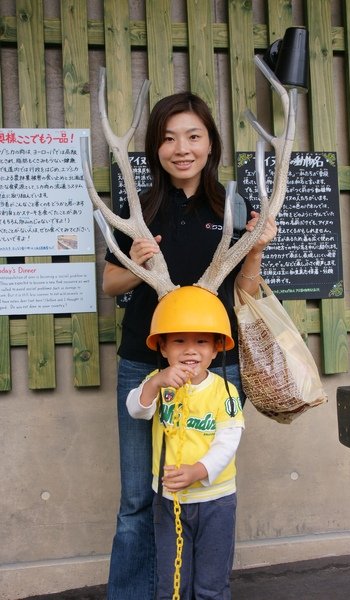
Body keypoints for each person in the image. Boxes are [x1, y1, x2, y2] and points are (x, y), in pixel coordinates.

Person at [103, 91, 277, 599]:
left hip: (217, 364)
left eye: (193, 136)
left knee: (204, 489)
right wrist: (135, 260)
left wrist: (256, 250)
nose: (182, 148)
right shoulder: (139, 207)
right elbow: (111, 285)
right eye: (169, 137)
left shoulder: (232, 206)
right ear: (155, 147)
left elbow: (243, 294)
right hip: (146, 364)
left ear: (210, 143)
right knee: (139, 496)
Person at [126, 285, 244, 598]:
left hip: (216, 500)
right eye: (179, 341)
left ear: (217, 347)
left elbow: (228, 439)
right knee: (171, 582)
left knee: (211, 584)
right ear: (163, 348)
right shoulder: (158, 382)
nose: (190, 350)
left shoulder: (225, 391)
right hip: (168, 500)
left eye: (201, 341)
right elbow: (136, 409)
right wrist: (155, 383)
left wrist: (199, 471)